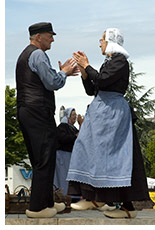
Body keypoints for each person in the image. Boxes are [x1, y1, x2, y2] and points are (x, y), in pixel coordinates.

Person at [67, 28, 150, 218]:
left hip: (111, 113)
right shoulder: (111, 62)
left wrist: (87, 65)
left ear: (111, 41)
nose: (99, 43)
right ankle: (115, 203)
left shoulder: (120, 61)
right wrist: (84, 72)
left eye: (102, 40)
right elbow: (92, 89)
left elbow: (103, 81)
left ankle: (97, 197)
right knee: (95, 152)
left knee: (107, 155)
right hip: (102, 112)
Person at [16, 22, 79, 218]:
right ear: (38, 37)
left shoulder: (26, 54)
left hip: (28, 111)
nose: (52, 38)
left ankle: (47, 202)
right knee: (44, 156)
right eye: (49, 35)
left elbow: (46, 78)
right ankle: (37, 208)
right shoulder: (38, 55)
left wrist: (58, 73)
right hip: (38, 111)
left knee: (42, 157)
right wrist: (63, 73)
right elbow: (52, 83)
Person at [54, 108, 83, 195]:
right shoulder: (63, 126)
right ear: (68, 116)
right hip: (63, 155)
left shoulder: (73, 128)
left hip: (70, 155)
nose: (75, 116)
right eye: (73, 114)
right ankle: (62, 194)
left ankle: (70, 195)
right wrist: (75, 136)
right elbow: (62, 138)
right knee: (63, 176)